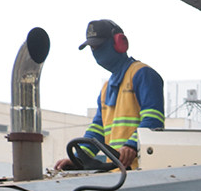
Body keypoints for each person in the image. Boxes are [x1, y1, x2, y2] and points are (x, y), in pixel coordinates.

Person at [55, 20, 164, 172]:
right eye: (92, 48)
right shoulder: (106, 88)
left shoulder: (142, 74)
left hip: (141, 170)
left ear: (119, 43)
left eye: (99, 46)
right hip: (118, 172)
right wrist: (79, 158)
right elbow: (97, 129)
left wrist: (131, 145)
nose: (96, 52)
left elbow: (153, 121)